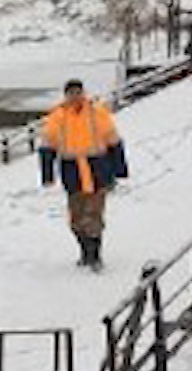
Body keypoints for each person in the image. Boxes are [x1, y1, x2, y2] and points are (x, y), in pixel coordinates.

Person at [39, 78, 128, 271]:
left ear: (83, 93)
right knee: (76, 219)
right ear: (66, 95)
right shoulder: (57, 117)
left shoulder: (97, 113)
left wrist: (119, 169)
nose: (75, 97)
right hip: (72, 172)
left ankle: (95, 255)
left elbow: (114, 141)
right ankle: (84, 251)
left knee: (93, 215)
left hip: (98, 170)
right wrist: (47, 175)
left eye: (78, 92)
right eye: (71, 93)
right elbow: (47, 147)